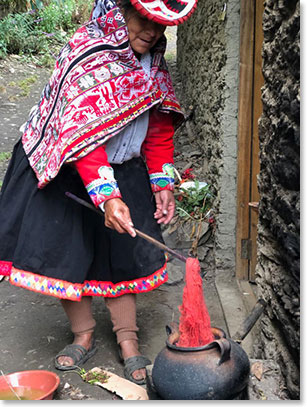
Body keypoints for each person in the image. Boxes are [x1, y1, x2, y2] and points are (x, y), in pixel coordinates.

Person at [0, 0, 197, 384]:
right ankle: (83, 333)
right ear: (120, 11)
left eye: (161, 26)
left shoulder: (154, 64)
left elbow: (158, 128)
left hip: (124, 168)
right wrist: (107, 195)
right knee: (69, 253)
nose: (154, 32)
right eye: (146, 20)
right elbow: (80, 134)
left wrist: (161, 181)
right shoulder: (86, 50)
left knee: (123, 252)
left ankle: (128, 340)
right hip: (71, 168)